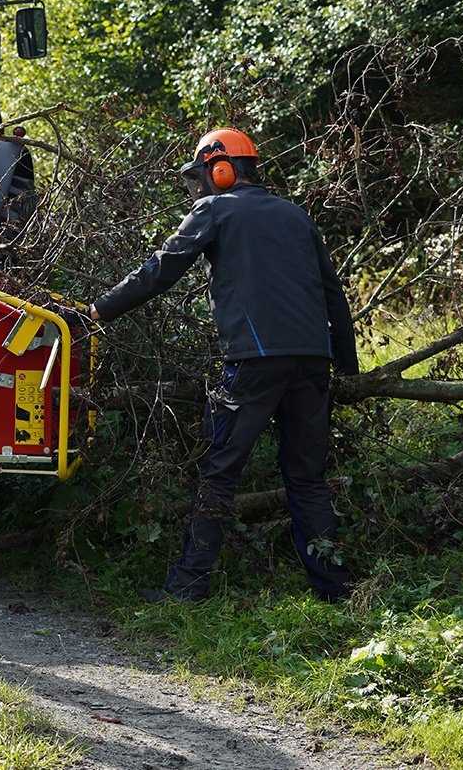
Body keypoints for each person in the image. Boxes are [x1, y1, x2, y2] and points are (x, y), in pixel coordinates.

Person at [87, 128, 358, 603]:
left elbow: (161, 269)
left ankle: (188, 588)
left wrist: (98, 310)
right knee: (307, 477)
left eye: (203, 175)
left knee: (219, 473)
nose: (200, 187)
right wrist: (348, 368)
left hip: (254, 363)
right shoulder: (297, 216)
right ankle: (336, 590)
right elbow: (332, 292)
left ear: (221, 168)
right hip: (312, 362)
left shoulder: (215, 209)